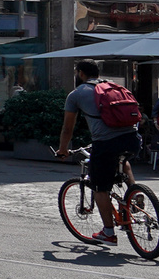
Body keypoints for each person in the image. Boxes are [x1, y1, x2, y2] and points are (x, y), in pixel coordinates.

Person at [57, 60, 139, 246]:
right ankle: (135, 193)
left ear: (80, 74)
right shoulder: (113, 86)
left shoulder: (76, 94)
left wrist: (63, 150)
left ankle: (108, 233)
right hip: (133, 139)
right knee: (123, 159)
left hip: (105, 142)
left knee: (100, 187)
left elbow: (67, 128)